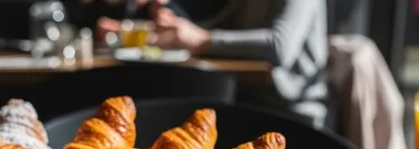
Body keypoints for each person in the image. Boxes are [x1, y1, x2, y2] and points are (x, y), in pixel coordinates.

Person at [89, 0, 329, 127]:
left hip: (295, 111)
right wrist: (152, 30)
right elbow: (211, 30)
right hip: (251, 103)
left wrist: (201, 39)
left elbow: (279, 47)